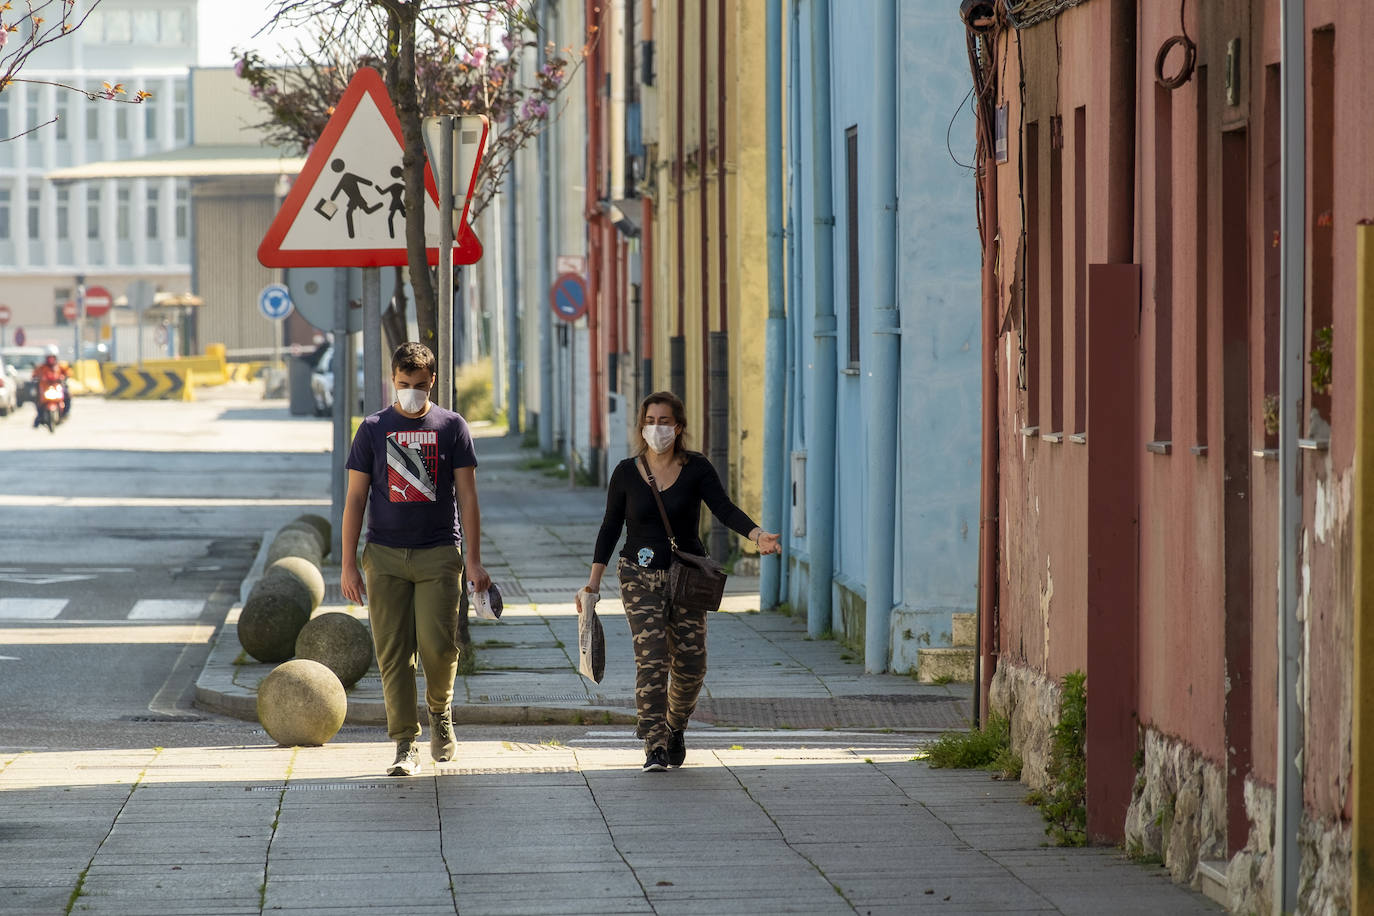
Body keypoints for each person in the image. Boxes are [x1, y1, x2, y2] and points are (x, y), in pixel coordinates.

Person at [586, 391, 780, 773]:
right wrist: (592, 584)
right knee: (652, 658)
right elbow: (610, 527)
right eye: (651, 420)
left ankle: (675, 725)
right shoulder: (626, 471)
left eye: (665, 421)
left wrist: (757, 535)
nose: (657, 428)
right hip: (638, 576)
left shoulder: (697, 469)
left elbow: (723, 508)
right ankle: (654, 744)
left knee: (692, 665)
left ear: (679, 427)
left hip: (687, 578)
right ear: (642, 425)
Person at [340, 342, 491, 776]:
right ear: (393, 380)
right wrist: (349, 564)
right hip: (384, 555)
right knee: (393, 653)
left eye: (420, 386)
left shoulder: (452, 426)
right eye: (404, 385)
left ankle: (440, 716)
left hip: (440, 554)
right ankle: (404, 743)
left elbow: (468, 495)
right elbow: (355, 499)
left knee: (438, 647)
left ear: (433, 382)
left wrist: (475, 561)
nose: (412, 393)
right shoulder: (372, 429)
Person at [31, 348, 70, 428]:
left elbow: (68, 373)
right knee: (36, 397)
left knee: (68, 395)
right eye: (49, 358)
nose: (51, 360)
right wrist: (36, 379)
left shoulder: (60, 366)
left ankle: (65, 413)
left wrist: (65, 377)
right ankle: (39, 416)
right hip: (45, 389)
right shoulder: (41, 368)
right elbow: (34, 375)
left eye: (52, 358)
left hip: (57, 388)